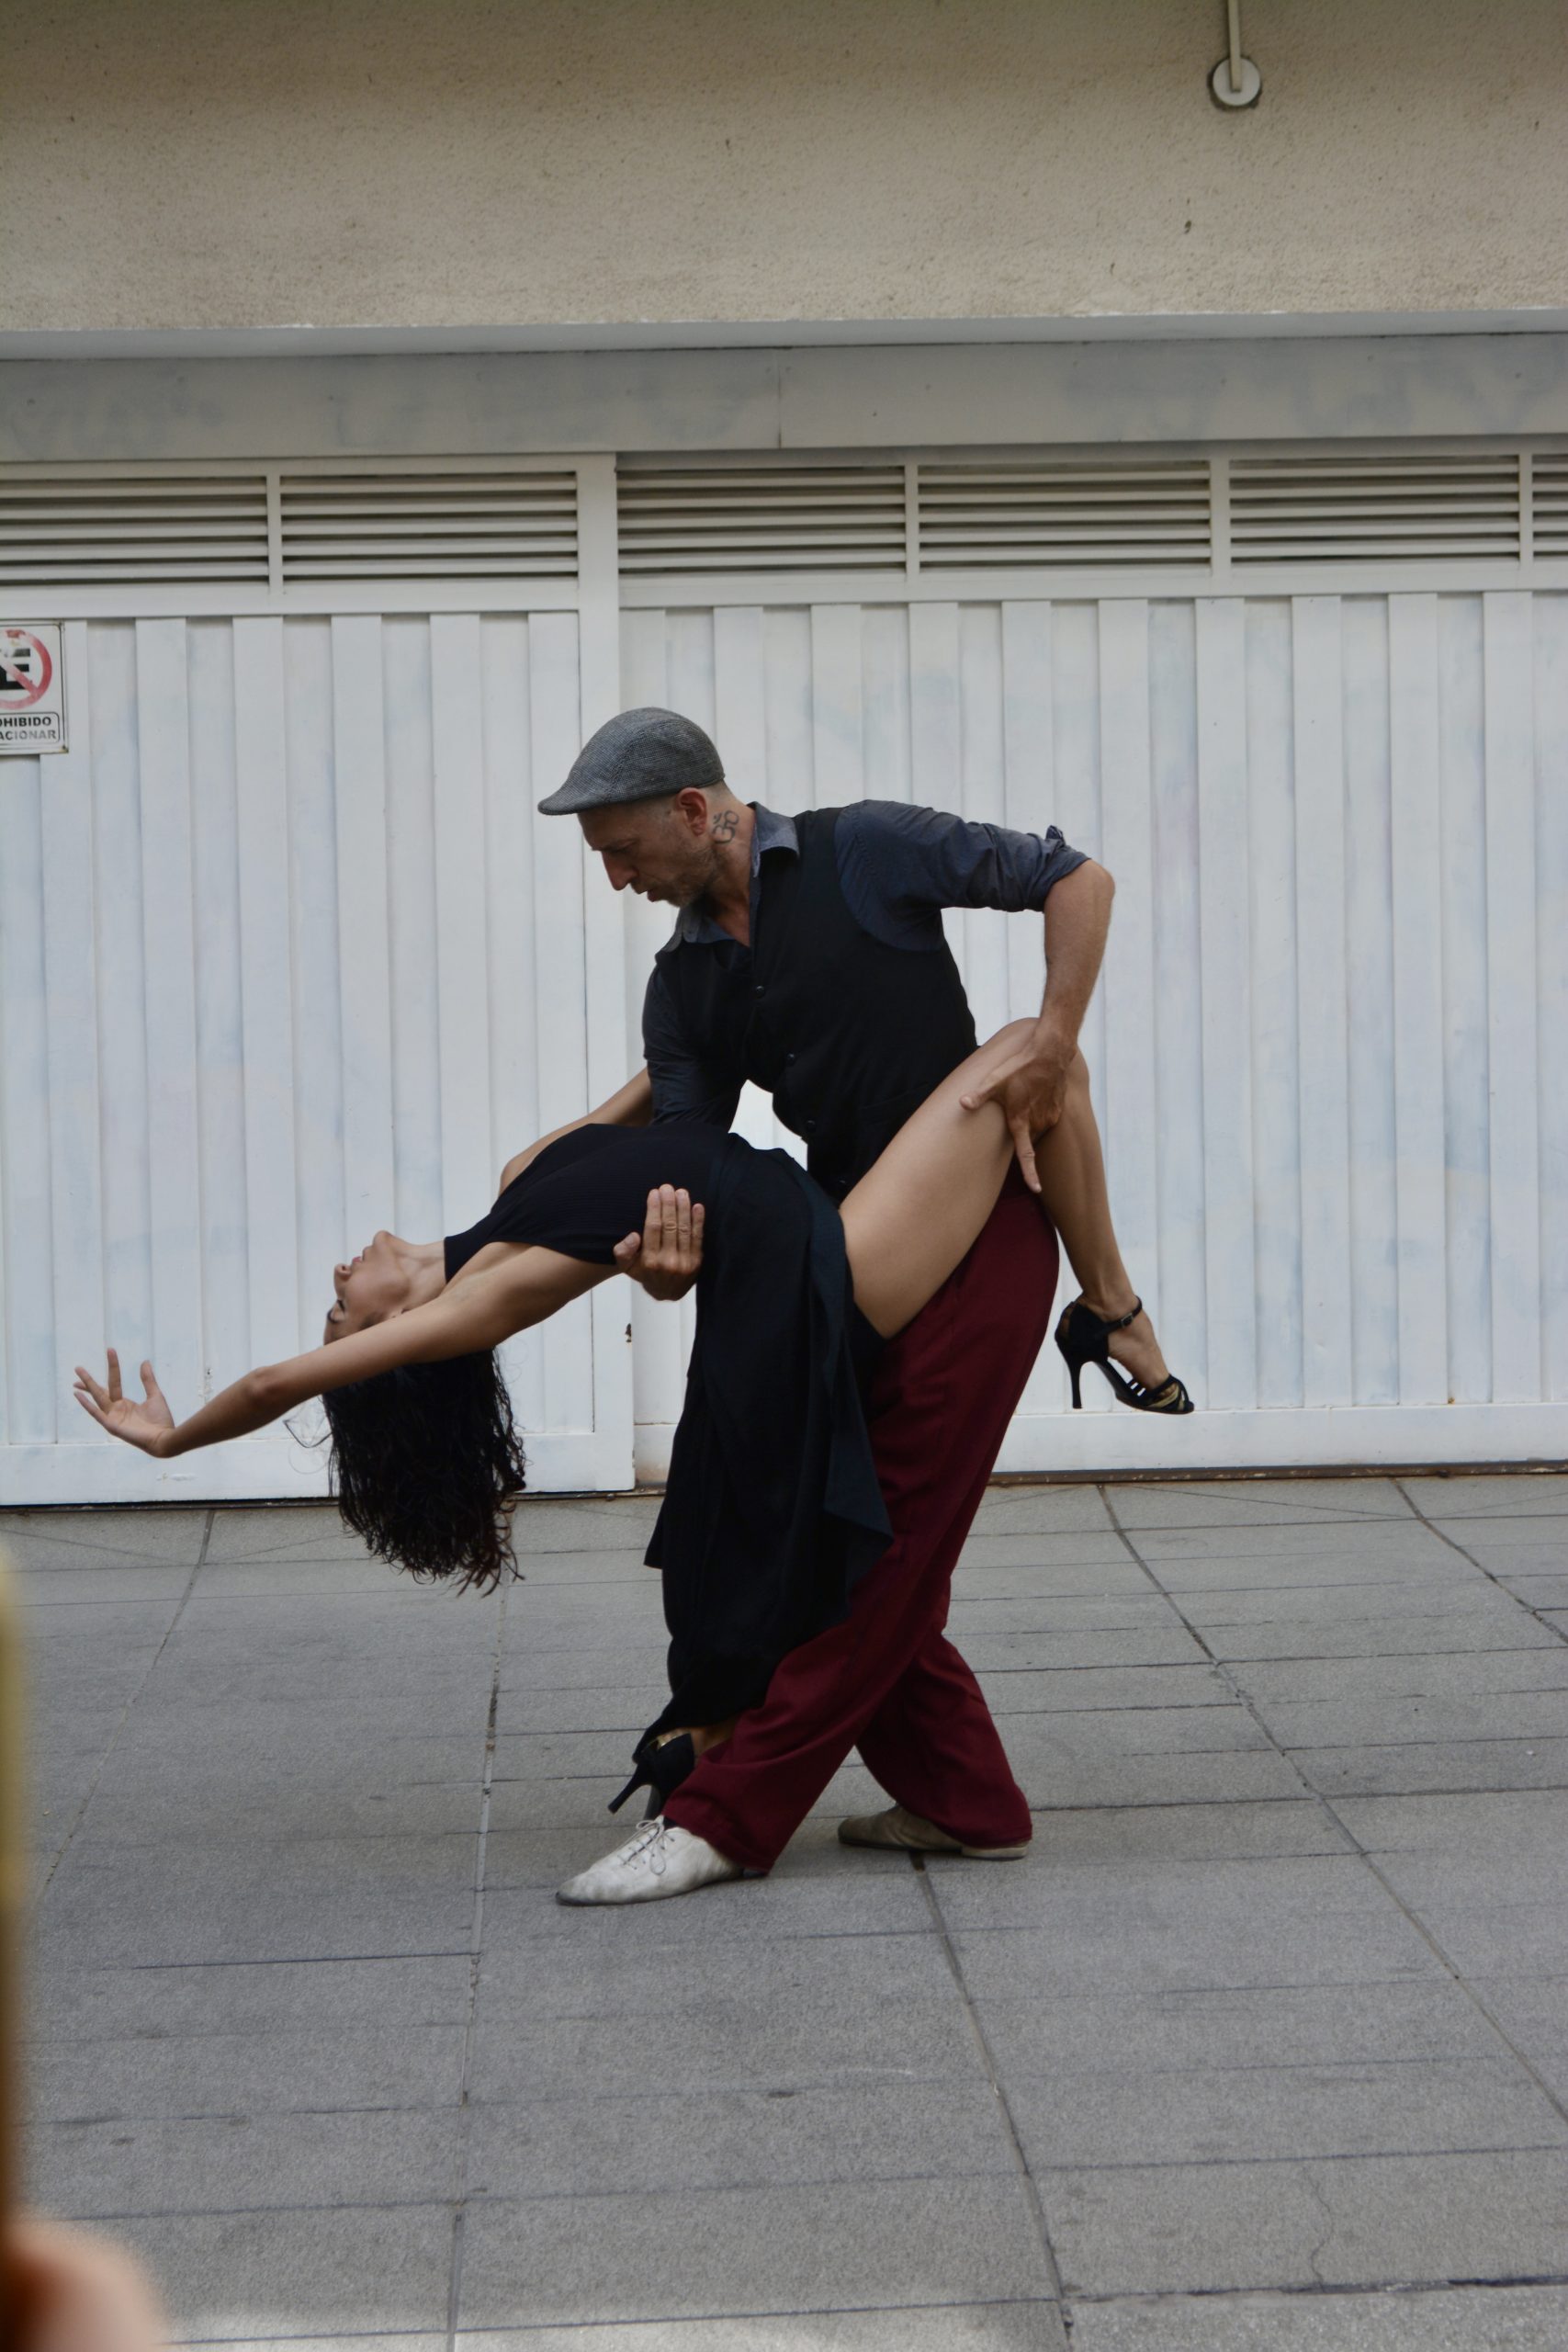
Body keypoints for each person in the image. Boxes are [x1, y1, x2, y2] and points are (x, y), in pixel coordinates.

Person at [76, 1016, 1077, 1895]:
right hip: (822, 1274)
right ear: (388, 1342)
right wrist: (169, 1436)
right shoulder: (477, 1302)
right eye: (343, 1311)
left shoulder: (518, 1183)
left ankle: (947, 1796)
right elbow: (269, 1387)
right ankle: (1116, 1311)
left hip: (788, 1244)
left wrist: (721, 989)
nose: (340, 1274)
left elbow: (665, 1084)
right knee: (1035, 1049)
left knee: (836, 1564)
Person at [524, 706, 1190, 1905]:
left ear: (695, 810)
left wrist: (1050, 1036)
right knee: (845, 1536)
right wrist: (661, 1253)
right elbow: (688, 1159)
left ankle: (725, 1817)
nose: (614, 877)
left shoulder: (865, 849)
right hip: (850, 1264)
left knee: (882, 1564)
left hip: (982, 1247)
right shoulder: (683, 986)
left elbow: (1074, 880)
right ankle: (966, 1801)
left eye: (623, 850)